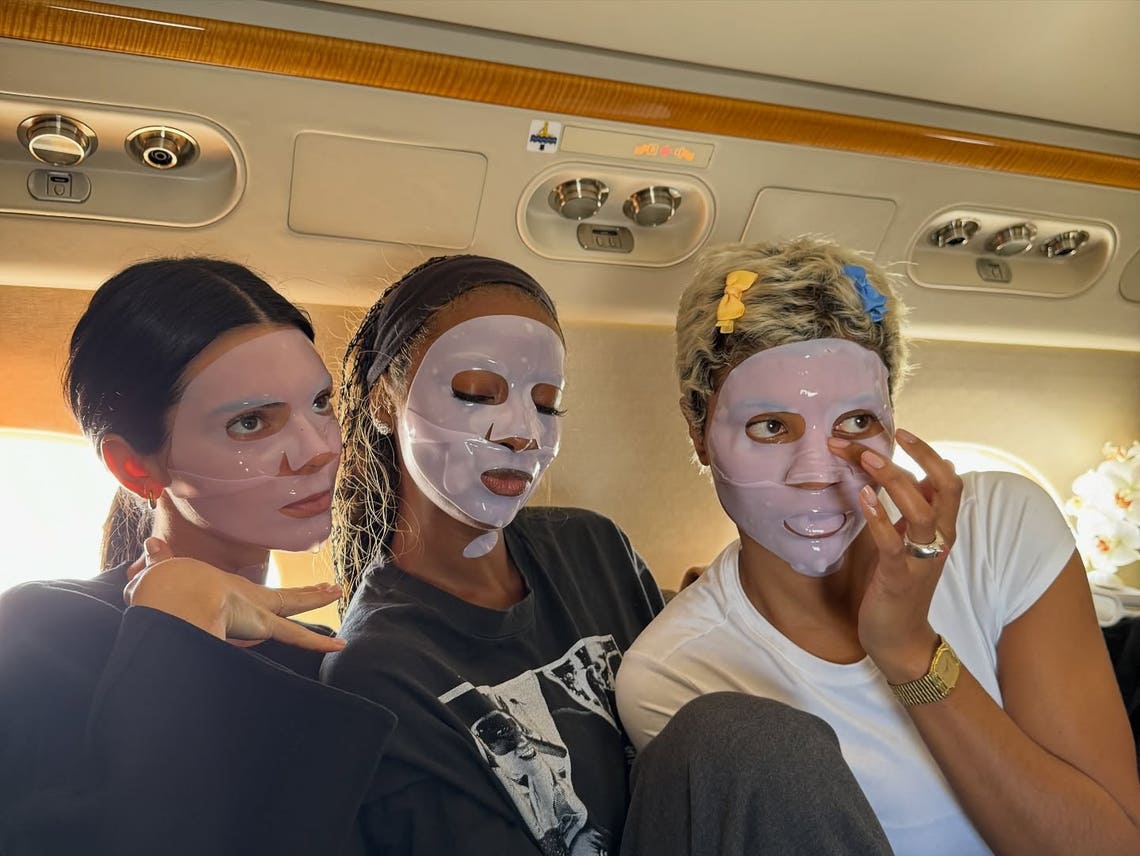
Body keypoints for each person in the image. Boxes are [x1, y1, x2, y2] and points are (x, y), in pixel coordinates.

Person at [615, 238, 1140, 854]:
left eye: (856, 422)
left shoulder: (1001, 526)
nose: (818, 472)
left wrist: (911, 652)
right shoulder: (675, 673)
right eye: (771, 427)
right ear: (698, 431)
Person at [0, 258, 395, 855]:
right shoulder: (44, 627)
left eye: (321, 403)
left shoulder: (327, 655)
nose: (318, 449)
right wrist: (175, 624)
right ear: (134, 466)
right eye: (251, 422)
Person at [321, 255, 664, 855]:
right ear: (383, 403)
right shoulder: (377, 667)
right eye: (477, 394)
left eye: (547, 404)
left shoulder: (596, 547)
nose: (522, 432)